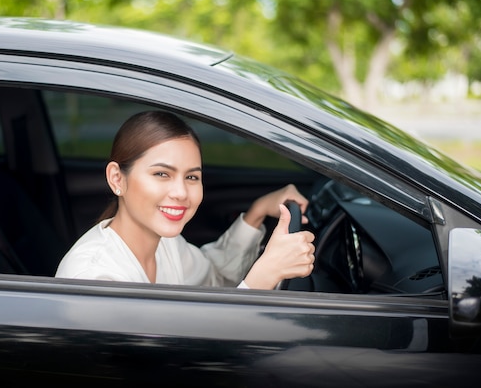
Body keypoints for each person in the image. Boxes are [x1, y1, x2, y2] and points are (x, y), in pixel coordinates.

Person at [55, 111, 315, 290]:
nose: (180, 192)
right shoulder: (94, 277)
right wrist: (267, 273)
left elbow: (214, 276)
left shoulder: (166, 244)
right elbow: (160, 366)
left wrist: (257, 212)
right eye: (161, 174)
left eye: (191, 177)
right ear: (116, 179)